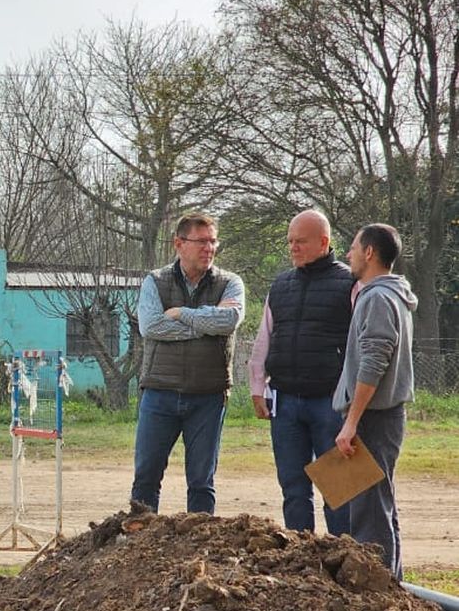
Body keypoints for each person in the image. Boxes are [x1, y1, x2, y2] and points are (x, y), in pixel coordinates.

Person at [131, 213, 245, 514]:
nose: (209, 248)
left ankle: (200, 548)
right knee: (146, 477)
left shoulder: (230, 283)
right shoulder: (155, 281)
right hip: (160, 392)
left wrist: (181, 312)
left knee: (201, 481)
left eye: (213, 241)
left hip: (209, 395)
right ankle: (138, 546)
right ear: (179, 244)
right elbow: (152, 327)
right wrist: (206, 325)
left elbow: (229, 320)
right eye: (201, 241)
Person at [248, 209, 354, 534]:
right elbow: (264, 337)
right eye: (290, 241)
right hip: (285, 401)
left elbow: (359, 345)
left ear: (324, 242)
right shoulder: (280, 285)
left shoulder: (350, 283)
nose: (293, 247)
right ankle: (301, 558)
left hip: (331, 402)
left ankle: (342, 559)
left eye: (301, 241)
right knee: (293, 487)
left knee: (339, 490)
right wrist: (257, 385)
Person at [334, 223, 416, 579]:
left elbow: (374, 359)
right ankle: (390, 583)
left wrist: (352, 421)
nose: (348, 255)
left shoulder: (378, 298)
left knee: (369, 510)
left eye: (353, 248)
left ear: (369, 253)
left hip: (374, 419)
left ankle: (375, 591)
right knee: (375, 503)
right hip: (380, 417)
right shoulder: (390, 294)